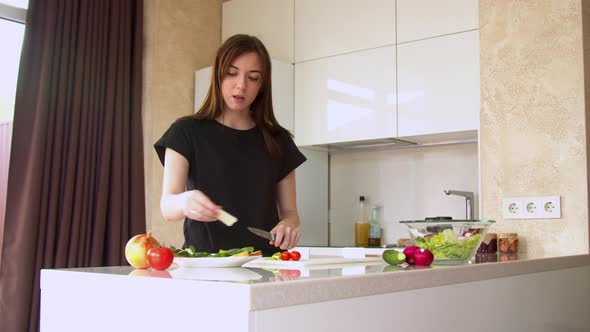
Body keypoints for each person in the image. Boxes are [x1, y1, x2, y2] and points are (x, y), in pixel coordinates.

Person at [154, 34, 306, 256]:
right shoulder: (185, 132)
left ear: (262, 85)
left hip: (263, 266)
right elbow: (167, 206)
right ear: (218, 76)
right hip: (205, 266)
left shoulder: (278, 140)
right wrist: (184, 201)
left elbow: (291, 213)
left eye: (253, 77)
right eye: (232, 74)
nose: (241, 85)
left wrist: (289, 226)